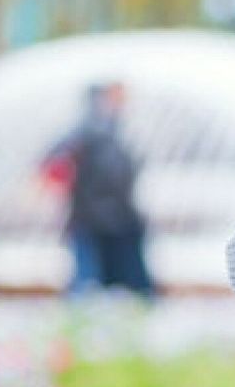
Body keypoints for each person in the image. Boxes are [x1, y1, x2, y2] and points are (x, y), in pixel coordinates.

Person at [42, 80, 155, 298]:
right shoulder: (89, 130)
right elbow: (55, 164)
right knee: (94, 284)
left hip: (112, 219)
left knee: (99, 285)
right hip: (97, 220)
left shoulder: (110, 129)